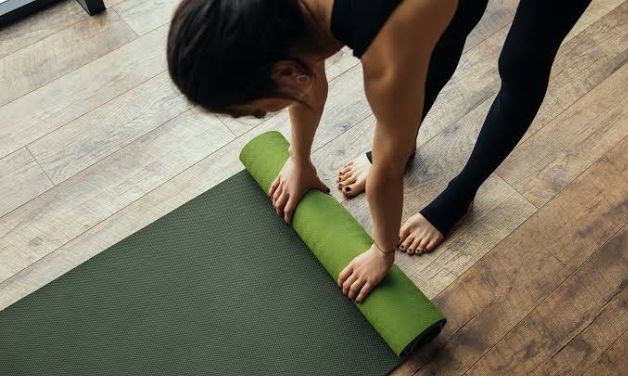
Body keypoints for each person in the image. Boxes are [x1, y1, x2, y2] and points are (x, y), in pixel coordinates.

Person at [166, 0, 591, 303]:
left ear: (286, 73)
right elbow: (303, 72)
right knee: (441, 29)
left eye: (259, 110)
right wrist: (300, 158)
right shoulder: (271, 13)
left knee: (522, 62)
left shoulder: (385, 50)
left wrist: (382, 252)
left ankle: (461, 194)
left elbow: (386, 175)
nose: (264, 114)